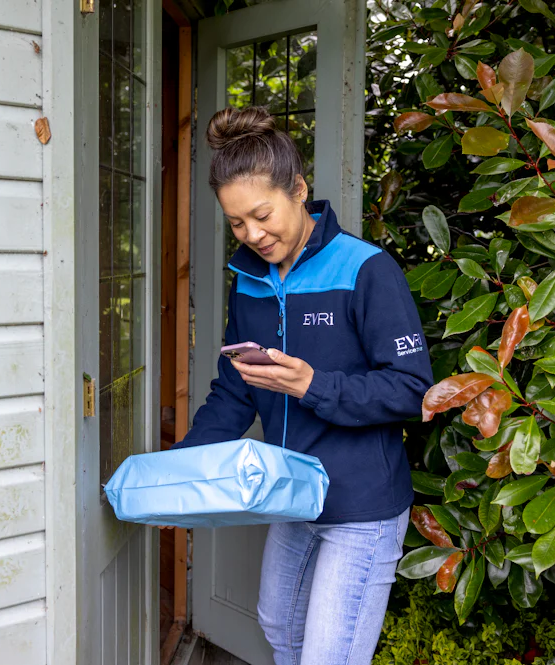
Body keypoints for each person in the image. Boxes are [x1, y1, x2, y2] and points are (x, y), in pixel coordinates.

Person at [173, 106, 433, 665]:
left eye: (262, 215)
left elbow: (414, 390)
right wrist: (182, 468)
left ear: (298, 190)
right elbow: (235, 390)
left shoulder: (366, 270)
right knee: (279, 625)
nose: (253, 234)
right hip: (293, 494)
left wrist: (315, 386)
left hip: (362, 505)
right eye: (237, 223)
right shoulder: (249, 282)